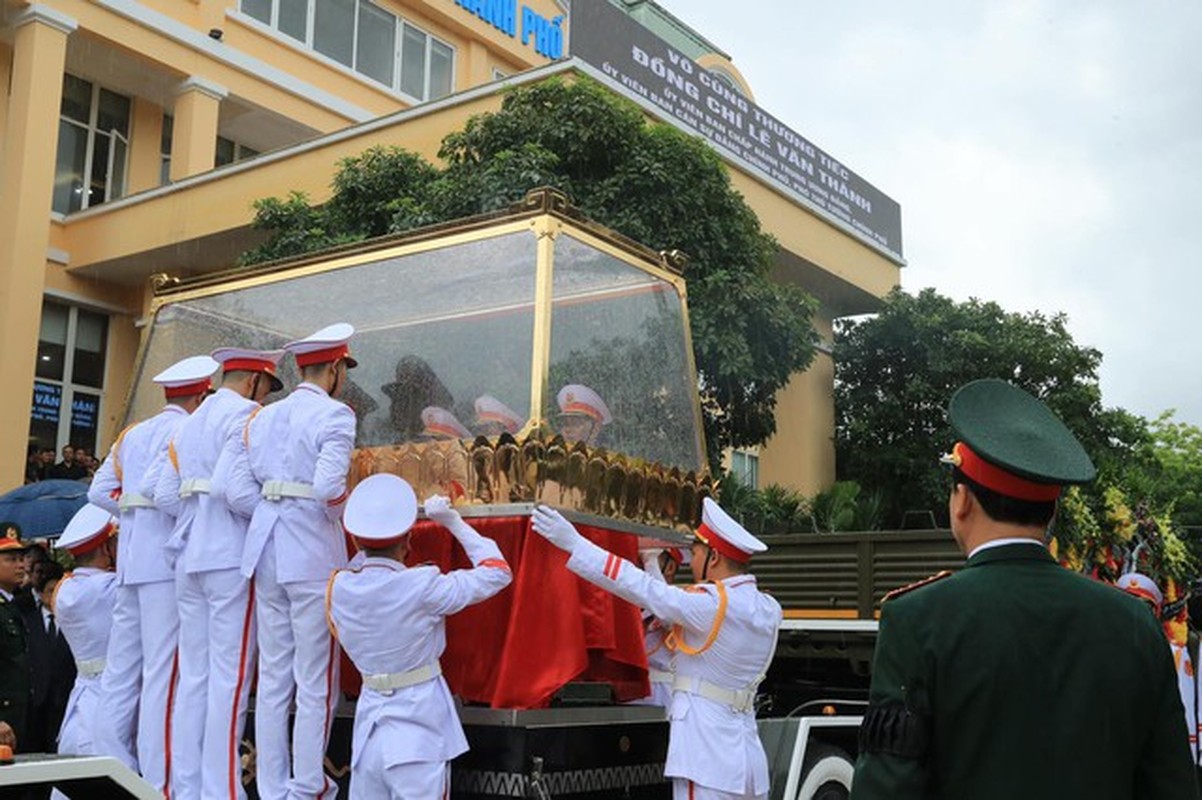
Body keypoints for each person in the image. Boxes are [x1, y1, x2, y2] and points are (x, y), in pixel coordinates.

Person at [850, 378, 1200, 800]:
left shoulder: (917, 618)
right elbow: (1171, 784)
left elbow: (888, 787)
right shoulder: (1134, 621)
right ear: (1052, 509)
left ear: (961, 500)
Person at [532, 498, 781, 800]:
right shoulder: (767, 608)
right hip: (745, 760)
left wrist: (576, 544)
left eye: (697, 553)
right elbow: (668, 608)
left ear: (713, 557)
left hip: (707, 757)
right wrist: (651, 562)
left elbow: (649, 592)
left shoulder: (713, 605)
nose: (693, 560)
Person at [218, 323, 357, 800]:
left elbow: (234, 490)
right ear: (335, 369)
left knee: (275, 675)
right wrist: (330, 515)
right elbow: (328, 489)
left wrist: (273, 511)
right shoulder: (336, 415)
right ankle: (307, 785)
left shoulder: (260, 417)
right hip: (311, 551)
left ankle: (274, 787)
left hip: (266, 550)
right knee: (315, 678)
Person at [326, 475, 512, 798]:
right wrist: (452, 522)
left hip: (368, 734)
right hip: (419, 734)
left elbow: (366, 561)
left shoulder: (340, 588)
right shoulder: (423, 585)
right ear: (408, 541)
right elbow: (498, 570)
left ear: (355, 542)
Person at [156, 347, 284, 800]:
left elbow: (165, 496)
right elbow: (237, 490)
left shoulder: (189, 421)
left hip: (188, 554)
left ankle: (184, 789)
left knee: (193, 679)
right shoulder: (248, 415)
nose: (265, 398)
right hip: (228, 553)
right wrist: (268, 516)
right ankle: (221, 792)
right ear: (253, 382)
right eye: (267, 387)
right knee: (229, 680)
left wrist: (199, 509)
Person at [88, 354, 219, 791]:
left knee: (121, 673)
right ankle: (157, 783)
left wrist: (131, 511)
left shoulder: (133, 433)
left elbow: (99, 491)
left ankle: (111, 767)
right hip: (164, 561)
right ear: (201, 394)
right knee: (163, 676)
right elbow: (169, 494)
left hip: (129, 560)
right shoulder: (188, 430)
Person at [48, 504, 119, 800]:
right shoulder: (107, 589)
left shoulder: (68, 588)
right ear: (106, 548)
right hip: (110, 702)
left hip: (83, 697)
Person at [18, 559, 75, 760]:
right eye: (50, 591)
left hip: (65, 700)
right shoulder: (26, 620)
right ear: (41, 595)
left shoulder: (72, 622)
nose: (54, 596)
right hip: (36, 706)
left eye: (58, 591)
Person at [630, 546, 686, 708]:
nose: (639, 564)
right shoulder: (630, 596)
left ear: (669, 567)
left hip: (662, 692)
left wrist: (651, 563)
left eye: (646, 560)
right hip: (629, 690)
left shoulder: (683, 599)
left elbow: (667, 612)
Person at [0, 526, 31, 753]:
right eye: (11, 559)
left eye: (22, 558)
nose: (21, 565)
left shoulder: (14, 605)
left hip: (21, 715)